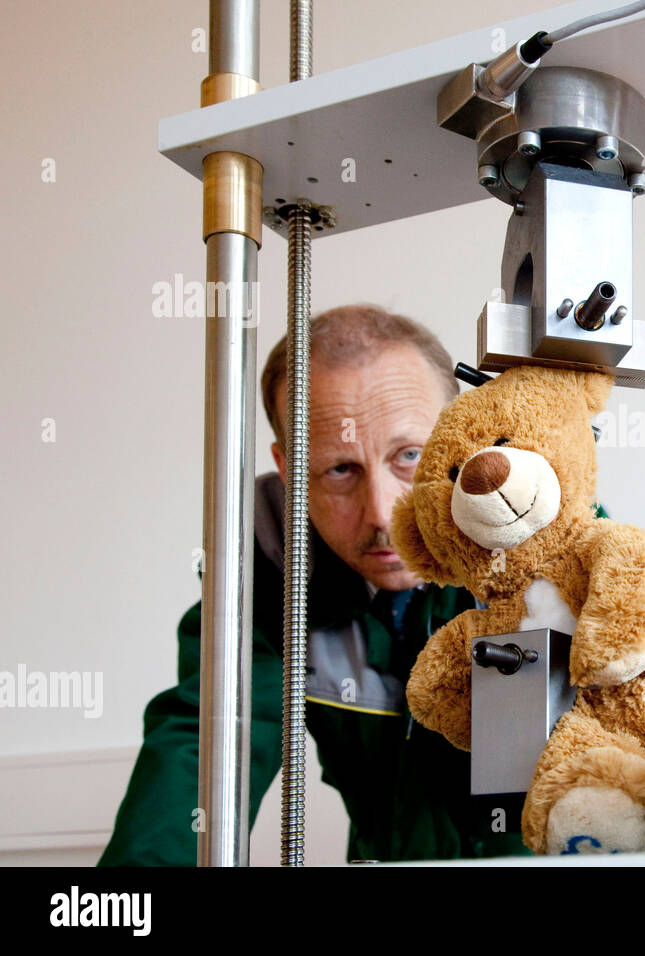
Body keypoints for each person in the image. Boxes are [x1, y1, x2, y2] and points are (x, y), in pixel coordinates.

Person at [99, 304, 601, 865]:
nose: (382, 514)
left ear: (463, 437)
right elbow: (207, 742)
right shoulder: (270, 586)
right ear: (289, 470)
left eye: (410, 456)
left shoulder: (555, 556)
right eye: (340, 470)